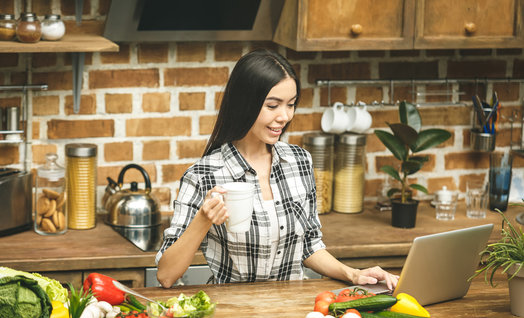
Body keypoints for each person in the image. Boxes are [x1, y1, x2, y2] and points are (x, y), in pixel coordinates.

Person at [156, 48, 399, 289]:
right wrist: (204, 219)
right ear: (244, 104)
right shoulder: (202, 175)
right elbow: (166, 275)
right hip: (234, 315)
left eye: (291, 105)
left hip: (294, 312)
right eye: (272, 106)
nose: (284, 116)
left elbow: (309, 245)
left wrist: (354, 274)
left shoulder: (299, 161)